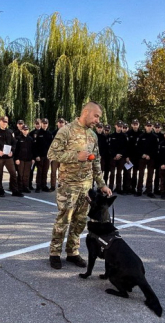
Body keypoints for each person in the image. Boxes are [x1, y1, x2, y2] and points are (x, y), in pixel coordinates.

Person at [47, 101, 112, 270]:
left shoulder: (93, 135)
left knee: (80, 221)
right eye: (96, 116)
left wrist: (102, 185)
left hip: (86, 187)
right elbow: (52, 153)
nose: (98, 120)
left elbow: (96, 161)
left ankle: (72, 252)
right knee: (64, 219)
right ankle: (54, 253)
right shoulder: (66, 130)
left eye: (99, 117)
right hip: (68, 185)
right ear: (86, 112)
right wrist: (76, 155)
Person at [0, 115, 21, 197]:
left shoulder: (10, 132)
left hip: (9, 157)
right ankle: (0, 190)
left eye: (6, 122)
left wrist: (12, 151)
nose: (4, 123)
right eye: (3, 121)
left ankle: (15, 190)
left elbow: (14, 143)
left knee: (13, 173)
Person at [135, 122, 158, 197]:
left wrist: (150, 155)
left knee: (150, 175)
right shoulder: (141, 136)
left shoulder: (155, 137)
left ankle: (149, 191)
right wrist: (143, 155)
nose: (149, 127)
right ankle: (139, 190)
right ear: (145, 127)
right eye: (147, 126)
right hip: (142, 158)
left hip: (151, 158)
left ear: (152, 127)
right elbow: (138, 148)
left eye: (150, 126)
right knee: (141, 174)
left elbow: (156, 148)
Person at [34, 118, 54, 192]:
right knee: (39, 171)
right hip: (40, 156)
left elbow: (51, 146)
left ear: (47, 124)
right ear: (41, 124)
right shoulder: (38, 133)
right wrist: (36, 155)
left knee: (45, 171)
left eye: (46, 123)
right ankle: (38, 186)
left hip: (47, 156)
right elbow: (35, 146)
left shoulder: (49, 134)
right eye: (43, 123)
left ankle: (44, 185)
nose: (45, 125)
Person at [14, 125, 35, 194]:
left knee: (26, 174)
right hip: (20, 159)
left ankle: (25, 187)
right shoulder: (18, 138)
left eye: (26, 130)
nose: (25, 131)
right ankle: (19, 188)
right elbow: (15, 150)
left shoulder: (30, 139)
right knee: (20, 174)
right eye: (24, 130)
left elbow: (33, 149)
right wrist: (16, 158)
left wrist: (33, 158)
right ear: (22, 130)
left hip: (28, 159)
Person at [49, 118, 66, 191]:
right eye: (60, 122)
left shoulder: (67, 133)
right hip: (55, 156)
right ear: (57, 124)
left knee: (62, 172)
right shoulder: (53, 133)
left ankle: (61, 185)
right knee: (53, 172)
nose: (61, 124)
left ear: (64, 124)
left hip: (63, 155)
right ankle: (53, 186)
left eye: (62, 122)